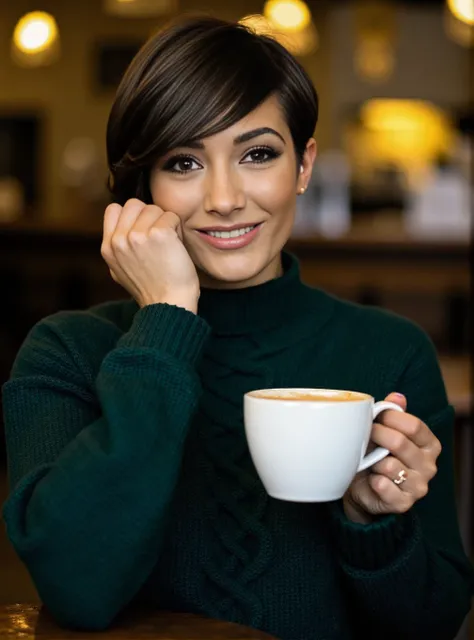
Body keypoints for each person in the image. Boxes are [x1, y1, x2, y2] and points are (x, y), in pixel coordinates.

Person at [2, 16, 473, 640]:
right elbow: (77, 590)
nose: (224, 198)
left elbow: (437, 621)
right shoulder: (65, 354)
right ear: (145, 187)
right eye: (185, 161)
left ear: (303, 166)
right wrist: (166, 317)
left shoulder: (390, 352)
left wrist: (371, 523)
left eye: (257, 154)